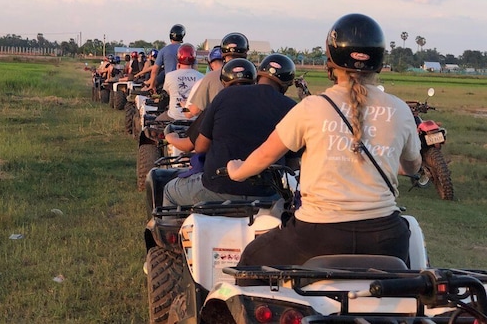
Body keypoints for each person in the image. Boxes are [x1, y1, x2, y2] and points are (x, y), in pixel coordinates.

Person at [227, 14, 422, 267]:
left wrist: (237, 171)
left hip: (318, 236)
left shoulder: (311, 107)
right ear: (378, 60)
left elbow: (265, 155)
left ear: (331, 59)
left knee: (251, 259)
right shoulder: (400, 110)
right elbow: (413, 166)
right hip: (385, 237)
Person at [163, 57, 297, 207]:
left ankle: (172, 230)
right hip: (268, 195)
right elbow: (293, 162)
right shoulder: (292, 108)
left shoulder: (225, 95)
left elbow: (200, 147)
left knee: (169, 190)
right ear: (286, 85)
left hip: (217, 188)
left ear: (258, 76)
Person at [166, 46, 223, 153]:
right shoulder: (200, 76)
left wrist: (184, 106)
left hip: (200, 122)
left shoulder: (206, 79)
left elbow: (192, 112)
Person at [184, 32, 249, 119]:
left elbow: (194, 111)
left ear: (223, 54)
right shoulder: (255, 76)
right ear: (245, 53)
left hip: (220, 128)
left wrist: (184, 107)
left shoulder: (210, 77)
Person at [155, 43, 203, 123]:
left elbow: (169, 92)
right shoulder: (201, 77)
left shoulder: (170, 75)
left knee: (156, 123)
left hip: (174, 116)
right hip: (194, 118)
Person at [144, 24, 186, 91]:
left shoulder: (164, 50)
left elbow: (154, 70)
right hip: (184, 82)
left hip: (169, 82)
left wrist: (152, 85)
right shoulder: (186, 50)